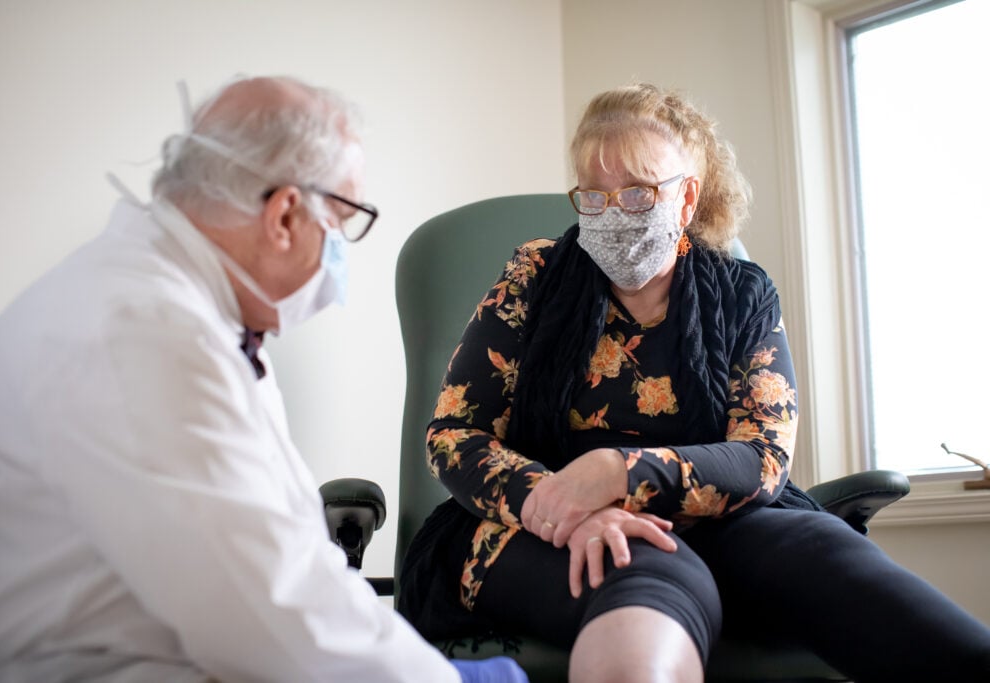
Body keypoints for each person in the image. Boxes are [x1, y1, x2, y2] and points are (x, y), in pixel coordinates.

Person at [398, 82, 990, 683]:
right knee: (647, 566)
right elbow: (455, 433)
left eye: (639, 190)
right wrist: (563, 505)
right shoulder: (534, 275)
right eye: (594, 196)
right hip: (534, 523)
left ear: (687, 199)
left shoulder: (742, 293)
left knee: (823, 552)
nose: (614, 211)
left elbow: (762, 458)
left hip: (723, 522)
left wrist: (620, 471)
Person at [0, 76, 527, 683]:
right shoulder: (150, 338)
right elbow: (282, 626)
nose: (339, 251)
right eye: (343, 220)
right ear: (285, 213)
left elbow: (281, 559)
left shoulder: (178, 312)